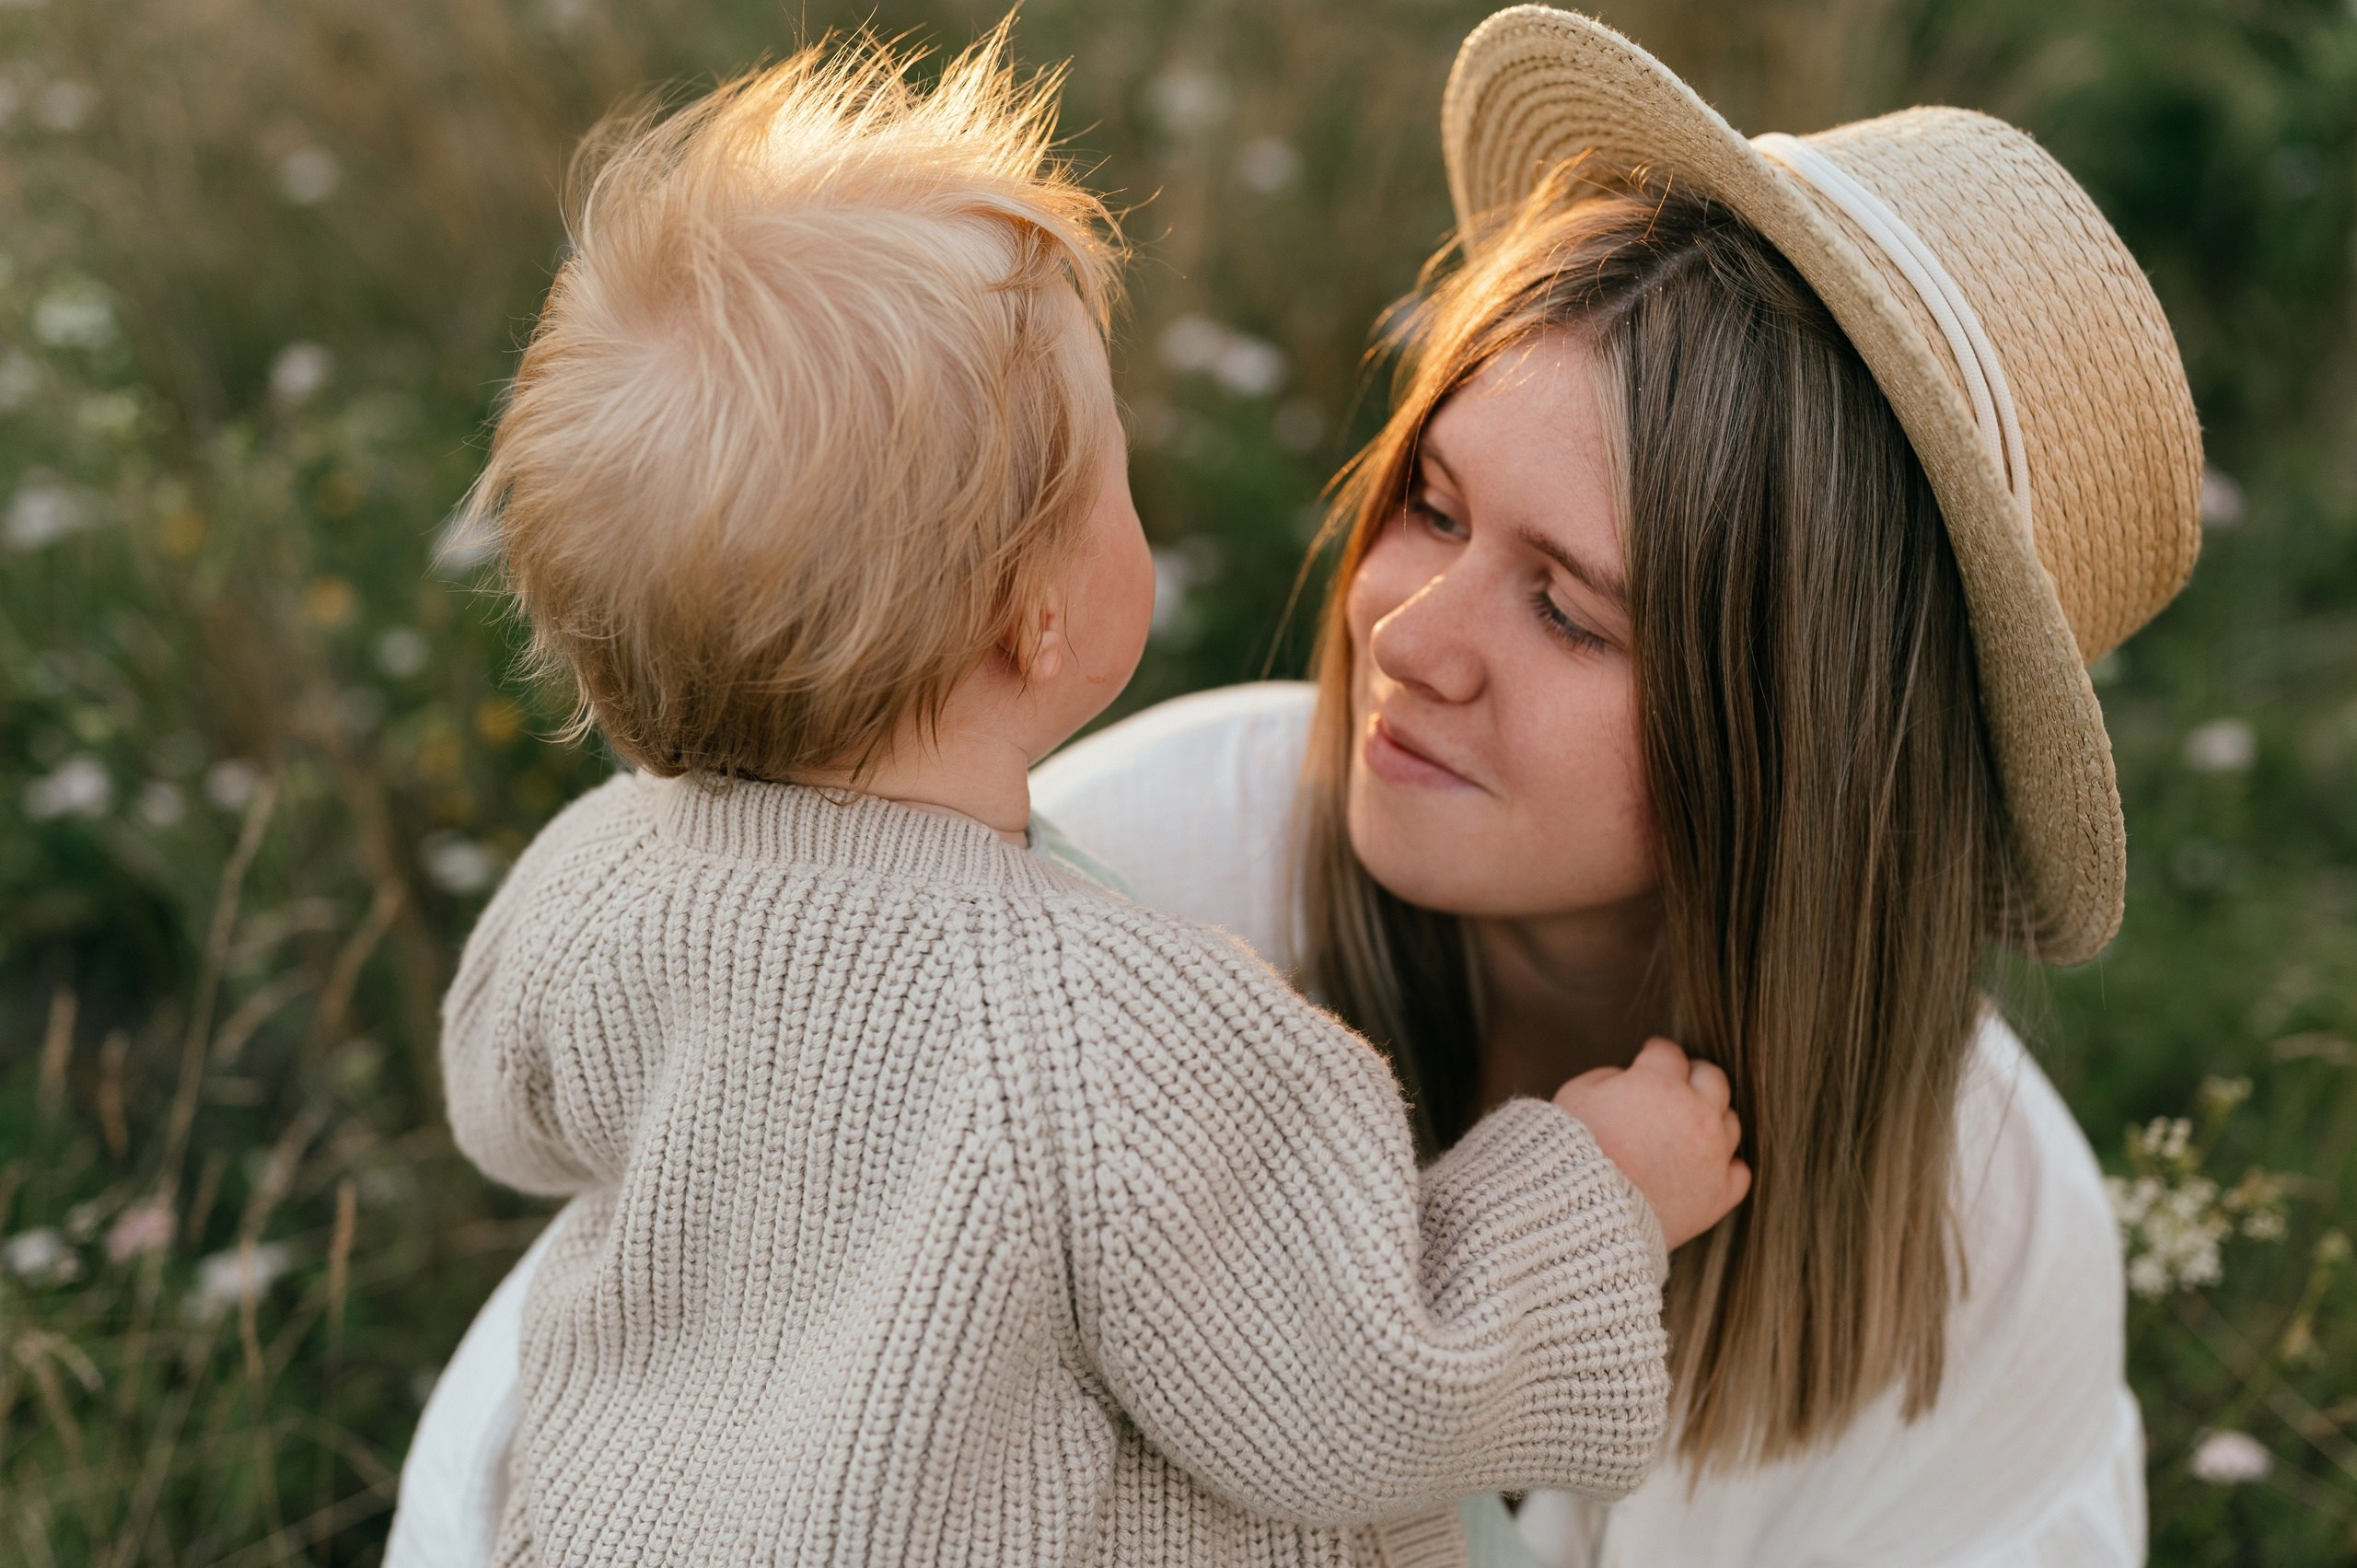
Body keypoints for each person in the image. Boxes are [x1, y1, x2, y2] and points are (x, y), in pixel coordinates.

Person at [390, 7, 2201, 1566]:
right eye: (1429, 500)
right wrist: (1577, 1200)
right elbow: (644, 1308)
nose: (1409, 629)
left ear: (1810, 747)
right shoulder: (1144, 881)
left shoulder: (1988, 1247)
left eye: (1565, 609)